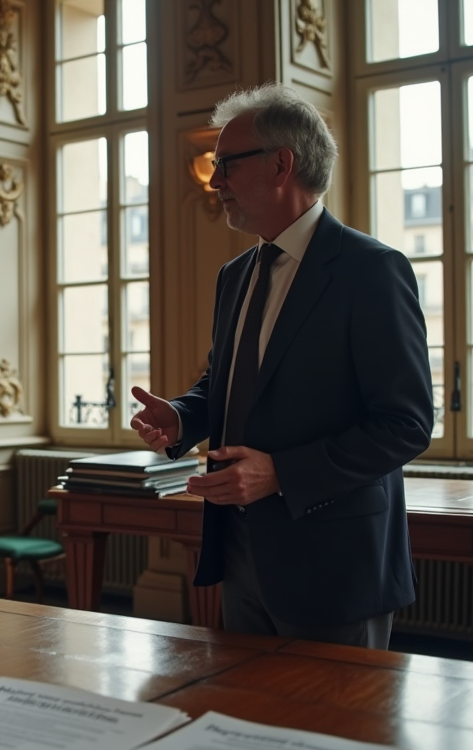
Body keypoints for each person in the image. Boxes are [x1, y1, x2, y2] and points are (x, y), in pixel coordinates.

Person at [130, 84, 433, 648]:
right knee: (247, 706)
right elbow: (230, 384)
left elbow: (406, 424)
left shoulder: (371, 270)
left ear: (281, 164)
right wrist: (182, 416)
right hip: (239, 553)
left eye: (225, 164)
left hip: (334, 562)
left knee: (335, 709)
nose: (214, 181)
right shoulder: (235, 276)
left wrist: (280, 474)